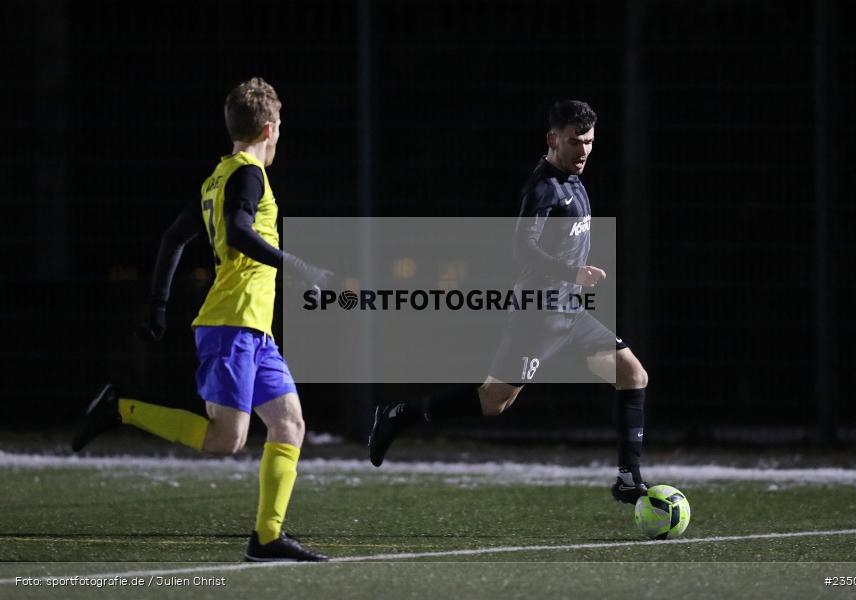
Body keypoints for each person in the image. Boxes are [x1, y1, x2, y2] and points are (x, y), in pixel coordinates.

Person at [72, 77, 330, 562]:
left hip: (254, 330)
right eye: (279, 132)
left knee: (289, 424)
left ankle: (268, 538)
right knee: (224, 440)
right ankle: (120, 408)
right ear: (270, 128)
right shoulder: (248, 175)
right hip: (231, 326)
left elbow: (173, 239)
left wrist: (158, 304)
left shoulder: (218, 178)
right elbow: (237, 231)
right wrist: (300, 267)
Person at [368, 100, 651, 504]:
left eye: (589, 142)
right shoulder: (542, 188)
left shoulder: (575, 180)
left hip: (571, 313)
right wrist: (573, 273)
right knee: (493, 402)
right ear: (553, 139)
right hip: (539, 315)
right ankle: (397, 416)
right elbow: (523, 247)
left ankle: (628, 479)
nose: (584, 151)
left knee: (632, 375)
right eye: (575, 142)